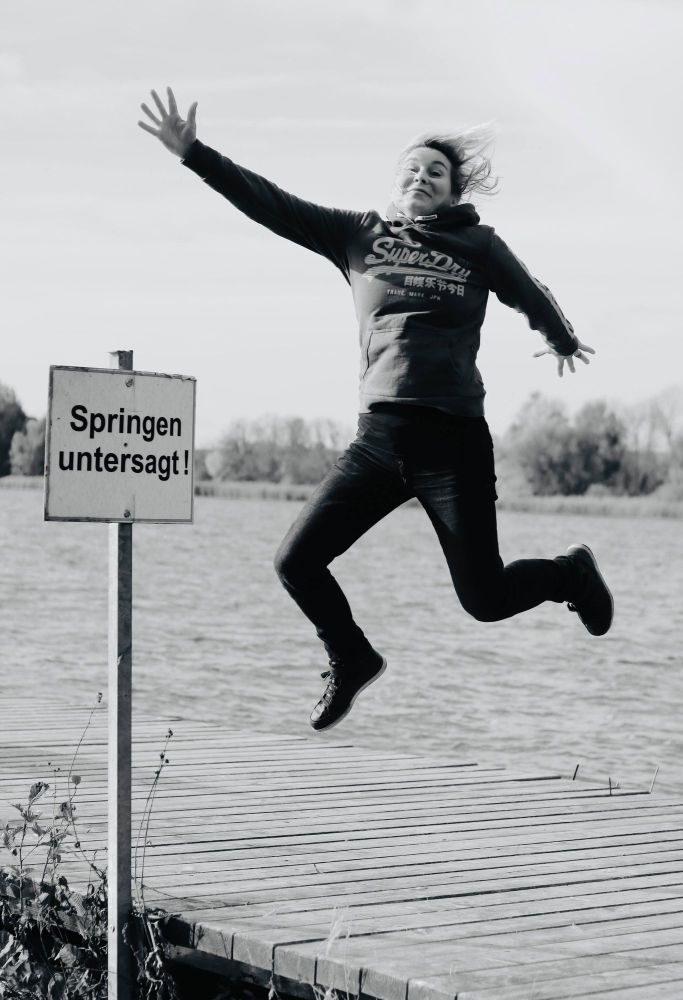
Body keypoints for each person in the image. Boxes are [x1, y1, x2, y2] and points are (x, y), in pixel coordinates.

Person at [139, 87, 614, 733]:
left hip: (453, 442)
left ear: (452, 191)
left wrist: (560, 340)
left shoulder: (478, 245)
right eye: (411, 169)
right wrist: (195, 154)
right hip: (379, 441)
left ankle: (570, 576)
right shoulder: (358, 235)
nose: (422, 177)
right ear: (396, 183)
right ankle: (352, 656)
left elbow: (529, 293)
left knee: (485, 599)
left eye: (436, 172)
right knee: (295, 562)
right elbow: (270, 204)